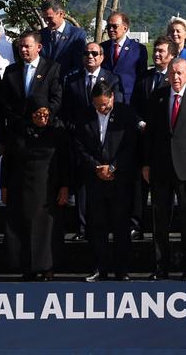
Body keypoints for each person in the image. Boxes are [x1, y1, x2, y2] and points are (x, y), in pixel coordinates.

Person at [143, 57, 186, 279]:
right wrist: (146, 163)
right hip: (161, 168)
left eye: (180, 73)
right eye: (172, 73)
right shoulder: (158, 96)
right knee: (160, 220)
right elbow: (150, 134)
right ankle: (160, 266)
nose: (176, 77)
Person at [73, 80, 137, 281]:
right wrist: (96, 167)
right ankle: (100, 268)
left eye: (105, 104)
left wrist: (113, 167)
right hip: (95, 179)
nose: (102, 108)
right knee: (96, 226)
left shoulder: (125, 114)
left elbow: (131, 145)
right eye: (98, 105)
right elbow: (79, 146)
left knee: (121, 226)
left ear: (112, 98)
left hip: (119, 178)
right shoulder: (84, 116)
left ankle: (122, 270)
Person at [2, 102, 70, 280]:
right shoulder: (17, 131)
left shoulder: (57, 132)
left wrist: (65, 187)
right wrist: (4, 186)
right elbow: (7, 160)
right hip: (21, 188)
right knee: (24, 228)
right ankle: (27, 267)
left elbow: (64, 162)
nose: (42, 118)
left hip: (48, 189)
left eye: (46, 115)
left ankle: (47, 267)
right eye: (38, 115)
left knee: (47, 231)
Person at [0, 30, 64, 138]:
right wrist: (17, 120)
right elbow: (5, 99)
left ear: (38, 47)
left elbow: (56, 98)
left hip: (44, 131)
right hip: (18, 132)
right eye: (21, 46)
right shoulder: (11, 71)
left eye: (27, 46)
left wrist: (44, 117)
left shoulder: (52, 68)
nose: (23, 50)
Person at [61, 42, 120, 129]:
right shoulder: (71, 80)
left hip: (103, 128)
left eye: (94, 53)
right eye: (86, 53)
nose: (90, 56)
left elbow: (116, 106)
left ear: (102, 57)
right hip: (78, 131)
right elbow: (67, 107)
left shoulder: (112, 79)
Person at [102, 10, 149, 106]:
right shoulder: (102, 48)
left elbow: (142, 77)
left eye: (114, 26)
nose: (110, 30)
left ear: (125, 28)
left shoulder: (138, 49)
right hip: (106, 100)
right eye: (108, 26)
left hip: (129, 100)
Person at [40, 0, 87, 77]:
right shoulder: (41, 35)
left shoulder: (77, 35)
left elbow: (78, 65)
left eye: (49, 18)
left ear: (61, 14)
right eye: (44, 18)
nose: (46, 22)